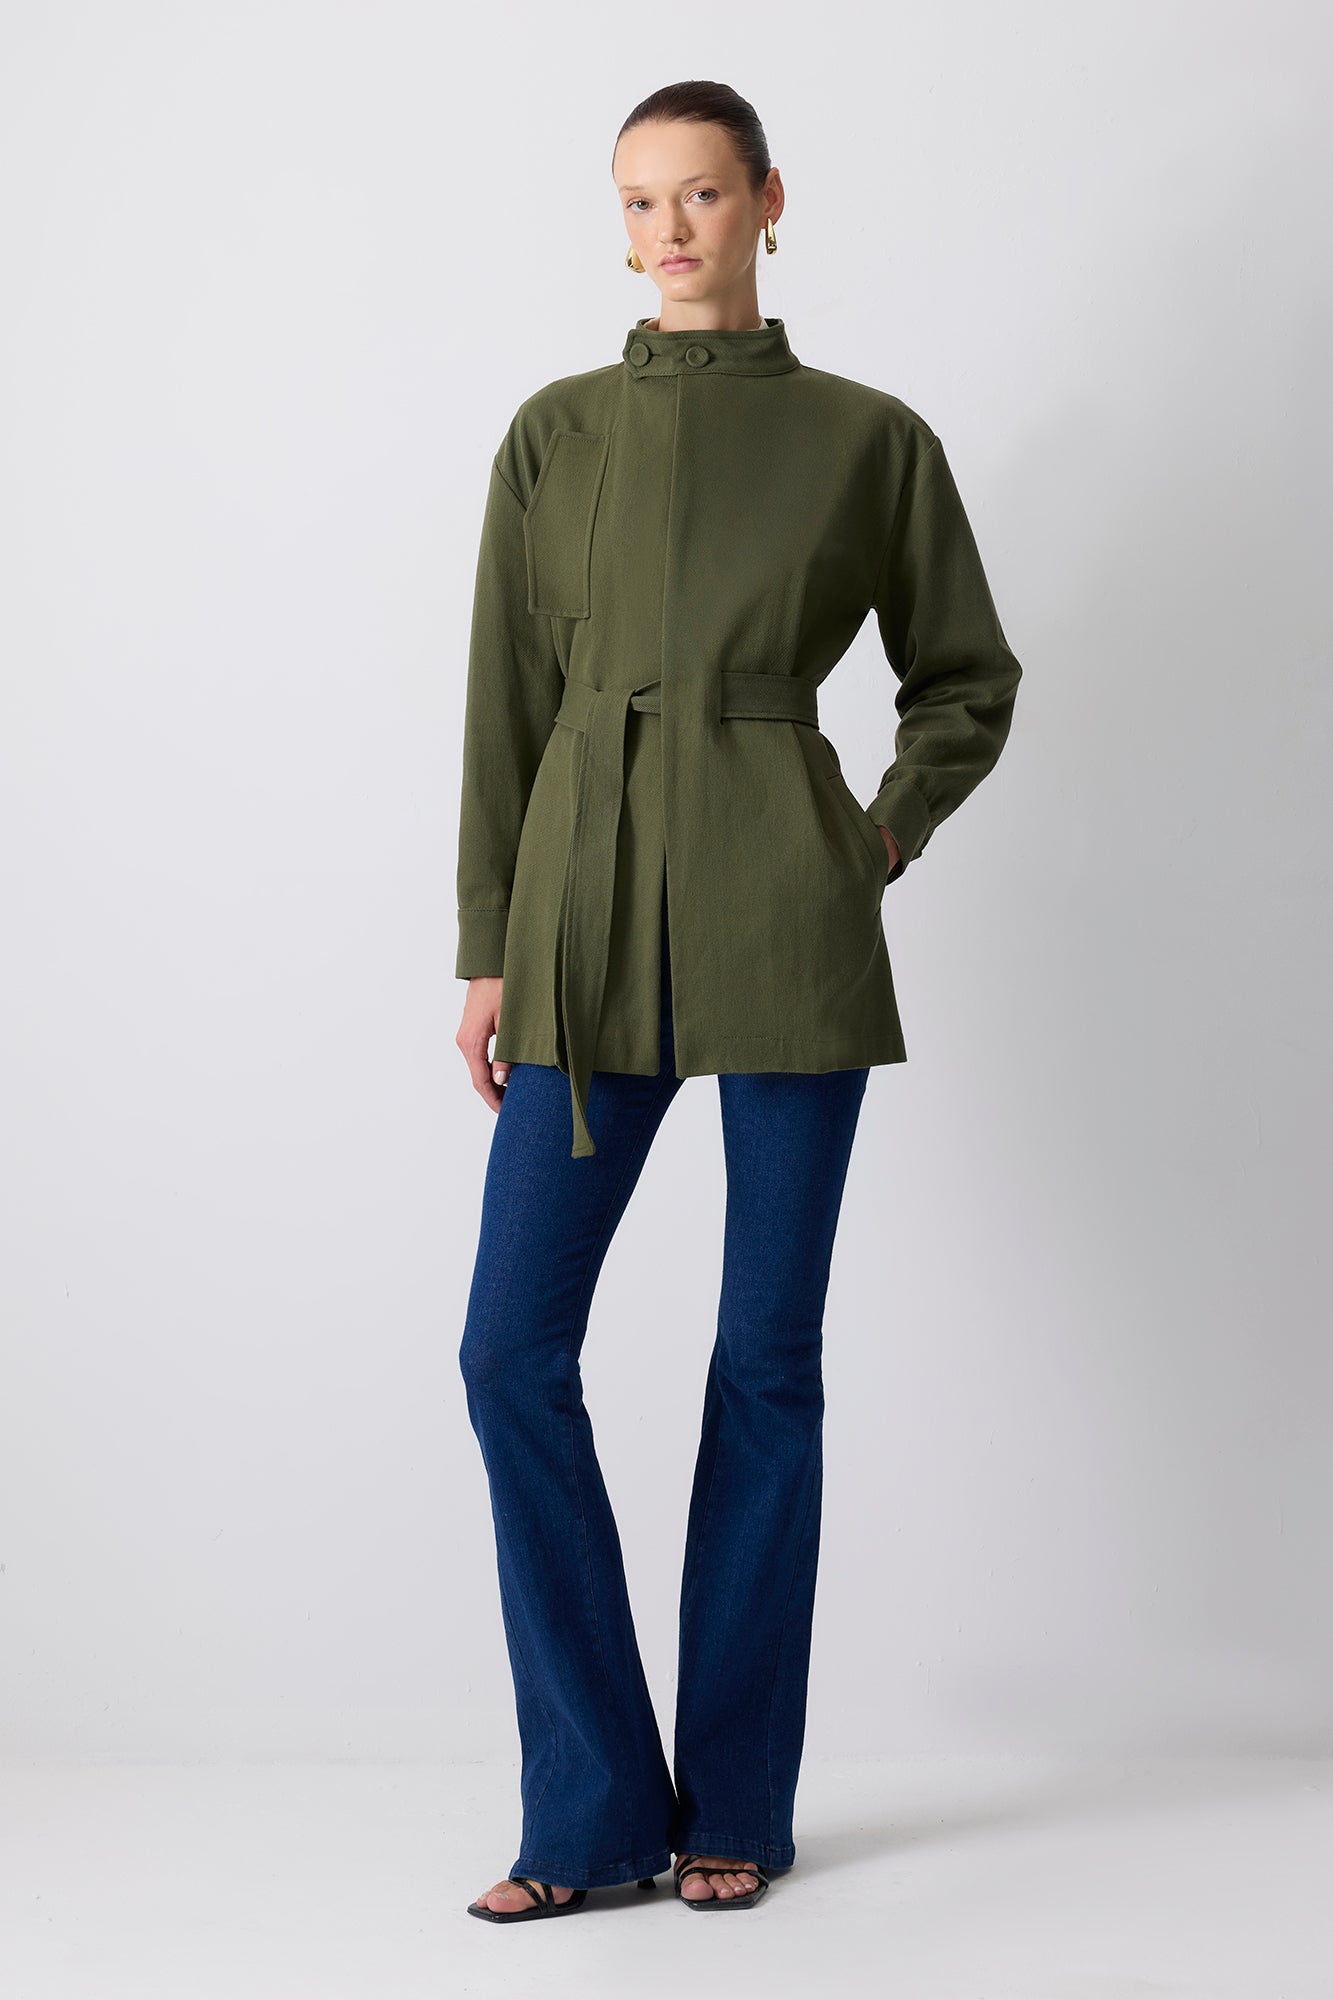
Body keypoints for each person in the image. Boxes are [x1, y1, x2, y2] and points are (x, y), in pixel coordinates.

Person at [455, 80, 1023, 1923]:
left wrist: (875, 838)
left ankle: (737, 1811)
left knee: (765, 1362)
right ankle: (589, 1813)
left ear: (768, 201)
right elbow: (505, 708)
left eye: (700, 194)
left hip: (784, 921)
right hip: (580, 927)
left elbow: (965, 677)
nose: (669, 231)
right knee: (507, 1352)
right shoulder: (552, 435)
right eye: (639, 201)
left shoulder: (867, 439)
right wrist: (488, 942)